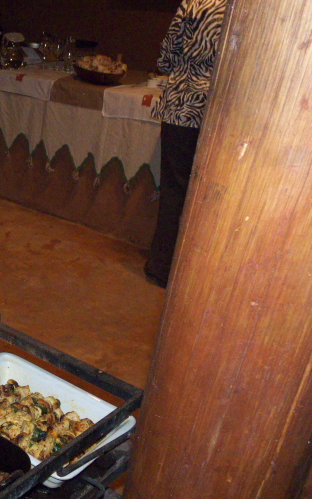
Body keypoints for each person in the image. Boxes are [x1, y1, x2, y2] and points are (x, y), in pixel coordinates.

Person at [145, 0, 228, 288]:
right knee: (211, 195)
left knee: (174, 192)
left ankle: (161, 268)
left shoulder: (195, 3)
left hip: (182, 106)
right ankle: (196, 274)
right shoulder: (246, 8)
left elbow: (167, 57)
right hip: (221, 110)